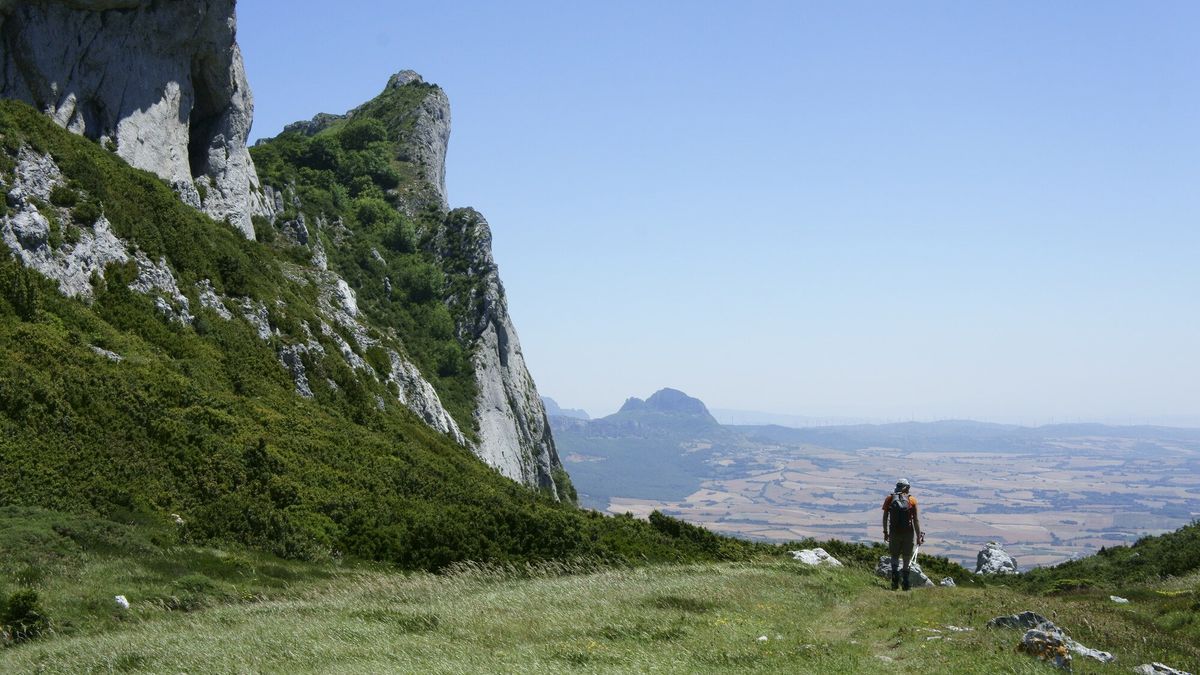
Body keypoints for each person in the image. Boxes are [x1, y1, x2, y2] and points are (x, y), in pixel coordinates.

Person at [882, 478, 924, 590]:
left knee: (894, 556)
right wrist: (918, 536)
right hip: (908, 533)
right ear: (907, 488)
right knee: (906, 557)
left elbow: (885, 517)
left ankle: (895, 580)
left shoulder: (890, 498)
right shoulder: (912, 500)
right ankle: (905, 582)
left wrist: (886, 532)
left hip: (894, 532)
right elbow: (916, 520)